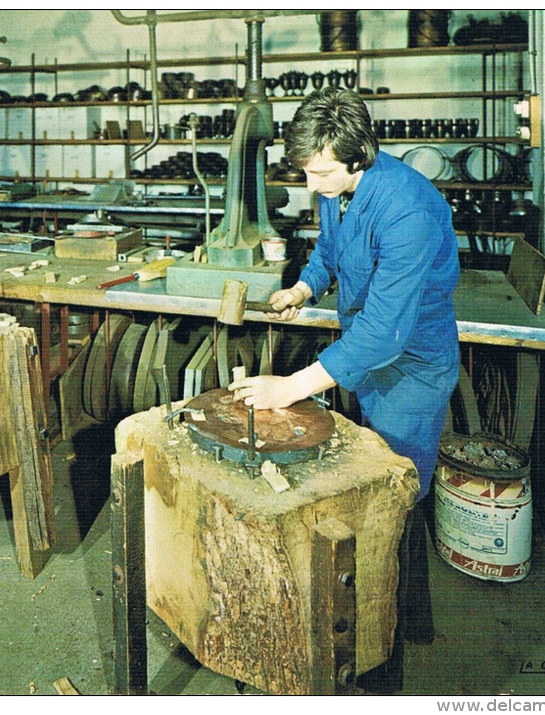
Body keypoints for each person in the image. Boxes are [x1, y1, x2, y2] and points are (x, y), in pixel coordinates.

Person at [229, 87, 460, 686]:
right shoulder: (338, 190)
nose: (312, 185)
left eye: (323, 172)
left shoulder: (407, 207)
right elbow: (330, 253)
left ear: (363, 154)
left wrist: (291, 387)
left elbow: (386, 331)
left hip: (409, 366)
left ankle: (389, 654)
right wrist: (303, 289)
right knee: (362, 492)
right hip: (362, 354)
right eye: (307, 171)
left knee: (395, 499)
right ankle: (367, 618)